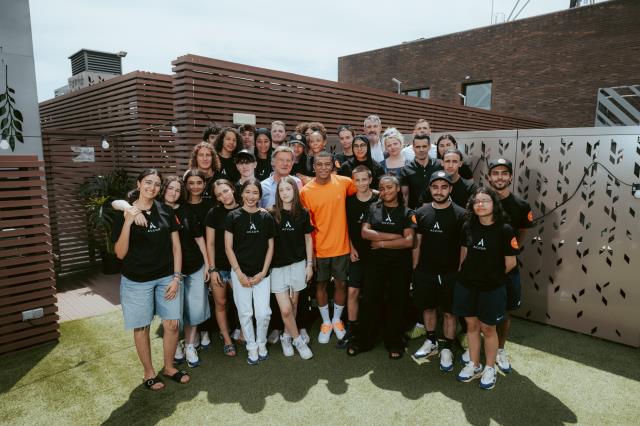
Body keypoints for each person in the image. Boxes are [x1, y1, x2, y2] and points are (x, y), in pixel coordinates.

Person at [112, 169, 189, 390]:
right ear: (139, 184)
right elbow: (119, 253)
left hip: (166, 277)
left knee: (172, 324)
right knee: (142, 327)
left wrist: (176, 277)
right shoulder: (126, 211)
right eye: (148, 182)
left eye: (156, 184)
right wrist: (128, 220)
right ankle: (148, 372)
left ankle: (169, 367)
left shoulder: (165, 210)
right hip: (136, 281)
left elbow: (176, 246)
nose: (152, 187)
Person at [454, 187, 518, 390]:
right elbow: (464, 254)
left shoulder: (505, 229)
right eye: (477, 201)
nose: (480, 204)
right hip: (466, 285)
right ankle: (474, 364)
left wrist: (491, 277)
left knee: (488, 328)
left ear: (494, 205)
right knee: (471, 326)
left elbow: (511, 263)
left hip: (492, 288)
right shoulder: (468, 226)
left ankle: (489, 368)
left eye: (485, 201)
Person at [348, 175, 416, 359]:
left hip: (399, 265)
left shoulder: (408, 212)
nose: (385, 191)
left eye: (389, 187)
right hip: (375, 263)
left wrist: (383, 243)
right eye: (382, 188)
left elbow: (409, 241)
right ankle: (364, 340)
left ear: (398, 190)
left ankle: (394, 341)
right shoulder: (373, 208)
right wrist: (395, 237)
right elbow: (364, 232)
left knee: (397, 301)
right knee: (370, 299)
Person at [480, 158, 534, 373]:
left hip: (507, 268)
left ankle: (500, 350)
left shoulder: (521, 205)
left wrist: (512, 252)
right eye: (495, 173)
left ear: (511, 177)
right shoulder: (481, 201)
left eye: (504, 173)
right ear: (489, 177)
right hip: (481, 267)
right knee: (477, 310)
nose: (500, 177)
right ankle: (475, 349)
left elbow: (523, 231)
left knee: (504, 312)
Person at [300, 151, 357, 344]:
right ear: (313, 166)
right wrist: (311, 254)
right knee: (321, 285)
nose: (323, 168)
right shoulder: (305, 191)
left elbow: (364, 192)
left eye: (327, 164)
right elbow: (305, 227)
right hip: (318, 249)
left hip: (341, 247)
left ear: (333, 165)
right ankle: (325, 322)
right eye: (319, 164)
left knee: (341, 284)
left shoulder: (344, 182)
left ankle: (336, 320)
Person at [412, 171, 465, 372]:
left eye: (444, 187)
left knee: (451, 313)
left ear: (450, 189)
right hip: (425, 272)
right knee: (428, 308)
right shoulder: (421, 212)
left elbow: (464, 247)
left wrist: (460, 271)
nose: (439, 191)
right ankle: (431, 341)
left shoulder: (461, 214)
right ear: (430, 189)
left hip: (451, 274)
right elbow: (417, 243)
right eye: (435, 187)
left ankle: (447, 349)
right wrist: (415, 268)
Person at [224, 178, 276, 364]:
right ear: (241, 194)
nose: (251, 196)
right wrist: (238, 273)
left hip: (262, 274)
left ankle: (262, 343)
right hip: (240, 274)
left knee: (263, 313)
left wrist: (263, 272)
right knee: (245, 313)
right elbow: (228, 247)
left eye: (255, 193)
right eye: (248, 192)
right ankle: (251, 346)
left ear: (260, 196)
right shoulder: (233, 217)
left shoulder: (266, 217)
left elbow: (270, 247)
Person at [161, 176, 210, 368]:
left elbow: (199, 239)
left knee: (195, 309)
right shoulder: (156, 211)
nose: (173, 193)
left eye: (177, 190)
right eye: (170, 188)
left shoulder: (187, 210)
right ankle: (176, 346)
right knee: (174, 311)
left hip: (195, 265)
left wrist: (207, 264)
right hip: (169, 271)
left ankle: (190, 345)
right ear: (164, 190)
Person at [269, 176, 315, 359]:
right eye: (281, 190)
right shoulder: (271, 214)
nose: (285, 193)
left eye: (288, 189)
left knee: (294, 304)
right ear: (278, 194)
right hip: (278, 267)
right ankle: (298, 340)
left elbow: (308, 239)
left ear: (294, 192)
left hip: (298, 264)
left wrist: (309, 264)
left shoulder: (302, 213)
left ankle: (286, 336)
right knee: (286, 309)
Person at [340, 165, 379, 348]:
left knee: (373, 293)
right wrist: (351, 247)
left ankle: (373, 327)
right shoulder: (348, 201)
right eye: (358, 180)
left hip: (377, 254)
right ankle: (351, 327)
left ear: (370, 180)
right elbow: (345, 226)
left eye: (365, 179)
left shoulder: (379, 198)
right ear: (353, 181)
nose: (361, 183)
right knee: (353, 291)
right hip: (356, 253)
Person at [205, 179, 240, 358]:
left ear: (233, 189)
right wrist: (212, 269)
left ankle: (243, 331)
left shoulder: (244, 209)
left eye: (225, 191)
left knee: (241, 304)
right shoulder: (213, 213)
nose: (223, 196)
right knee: (221, 303)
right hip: (219, 267)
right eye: (219, 194)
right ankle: (226, 338)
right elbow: (209, 243)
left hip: (238, 268)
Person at [400, 134, 441, 209]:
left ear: (429, 147)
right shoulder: (406, 169)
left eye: (424, 146)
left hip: (438, 211)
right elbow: (405, 196)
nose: (421, 150)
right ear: (413, 148)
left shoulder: (440, 165)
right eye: (418, 147)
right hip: (415, 213)